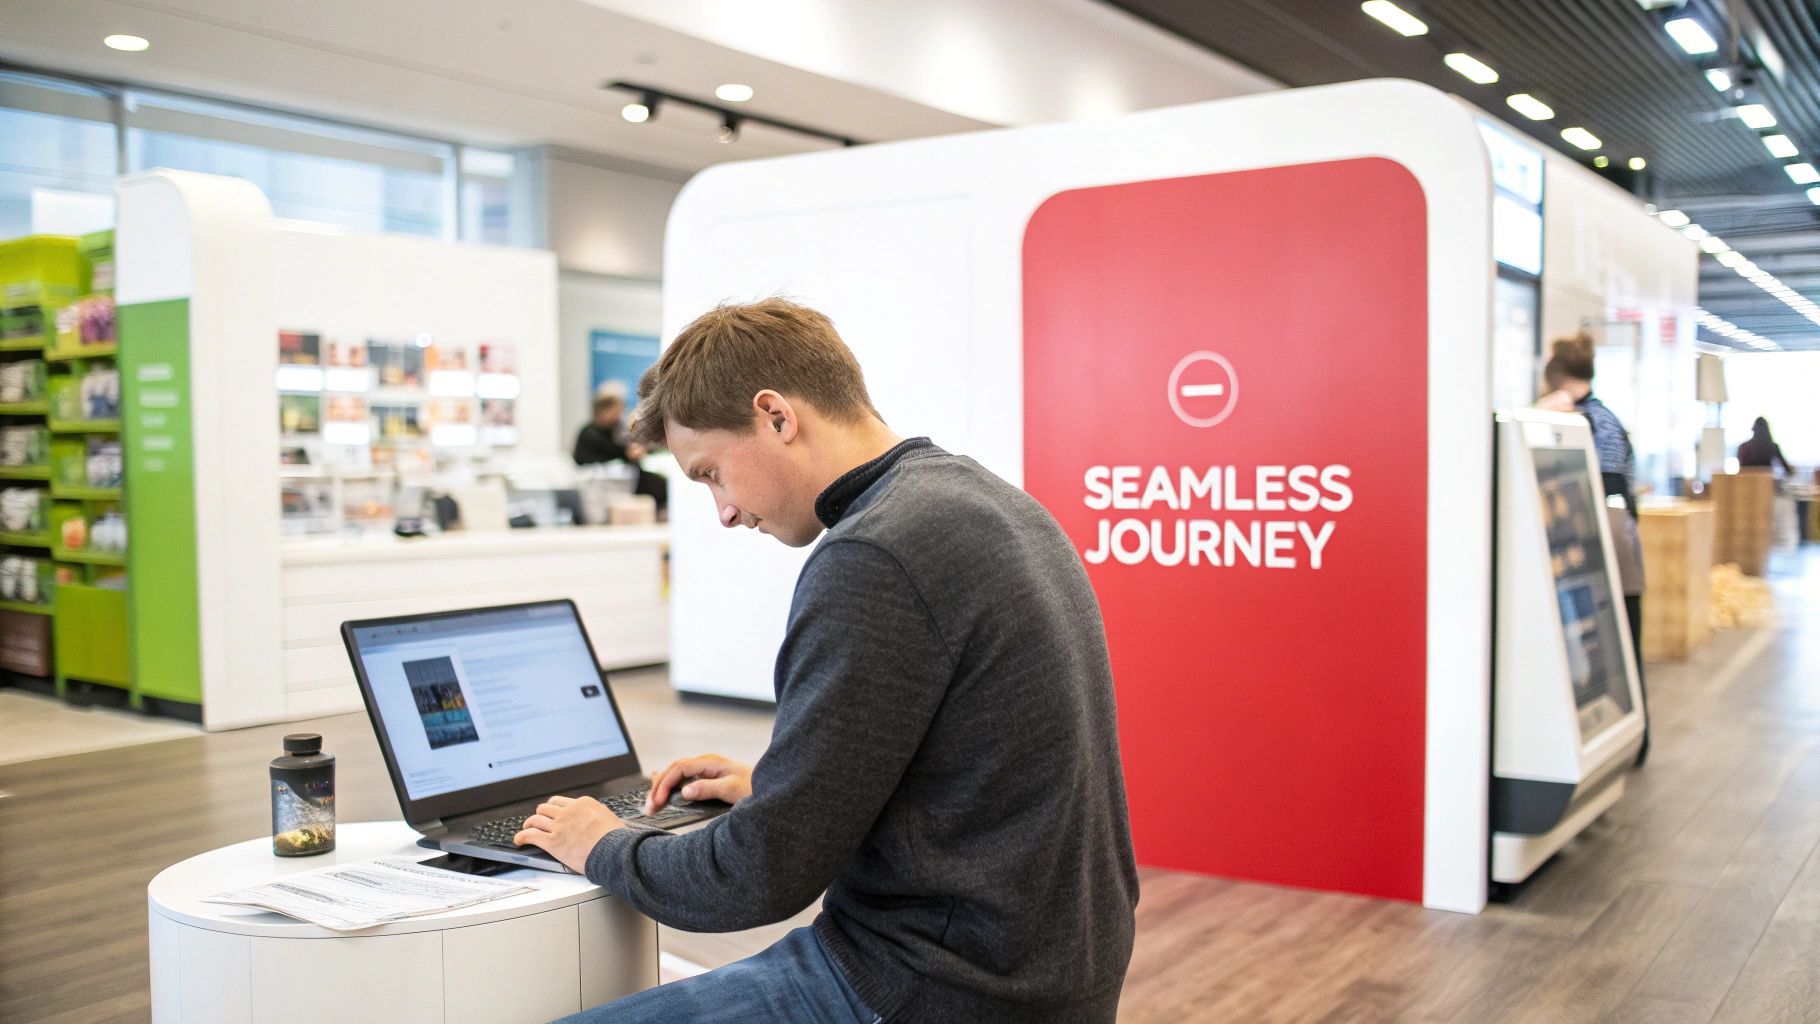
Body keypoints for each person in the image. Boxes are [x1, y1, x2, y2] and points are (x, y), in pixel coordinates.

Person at [518, 298, 1139, 1023]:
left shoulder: (874, 556)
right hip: (1053, 967)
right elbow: (975, 773)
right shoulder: (988, 503)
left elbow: (754, 880)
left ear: (777, 415)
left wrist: (601, 843)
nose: (723, 511)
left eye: (712, 472)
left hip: (940, 986)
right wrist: (781, 789)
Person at [1538, 331, 1649, 765]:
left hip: (1594, 541)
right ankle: (1633, 741)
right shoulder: (1606, 417)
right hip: (1621, 536)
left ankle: (1622, 743)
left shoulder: (1576, 420)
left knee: (1607, 645)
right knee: (1623, 642)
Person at [572, 386, 667, 512]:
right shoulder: (590, 433)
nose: (619, 414)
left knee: (659, 482)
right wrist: (627, 453)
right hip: (604, 482)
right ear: (603, 410)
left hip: (623, 477)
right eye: (616, 410)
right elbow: (612, 452)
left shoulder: (614, 429)